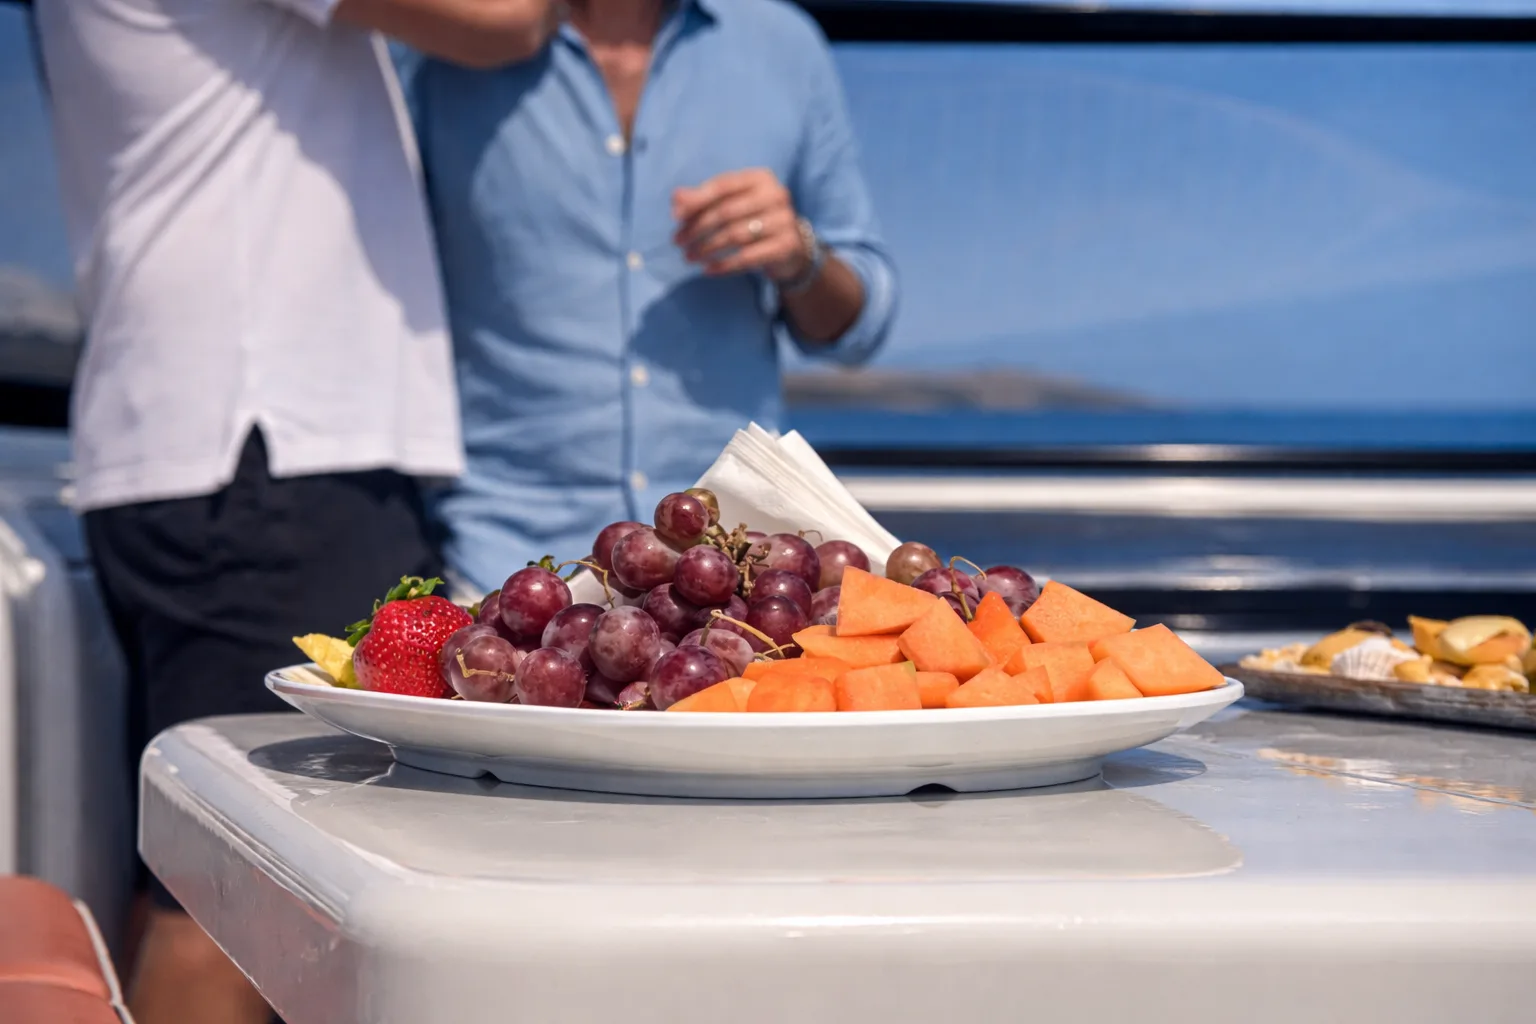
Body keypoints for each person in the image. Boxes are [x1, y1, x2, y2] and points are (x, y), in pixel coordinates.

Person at [32, 0, 555, 1021]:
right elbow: (503, 16)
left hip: (224, 452)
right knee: (235, 901)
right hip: (266, 450)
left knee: (201, 880)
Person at [399, 0, 898, 594]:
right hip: (502, 564)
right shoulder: (436, 44)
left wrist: (800, 255)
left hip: (734, 570)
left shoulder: (783, 44)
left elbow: (861, 324)